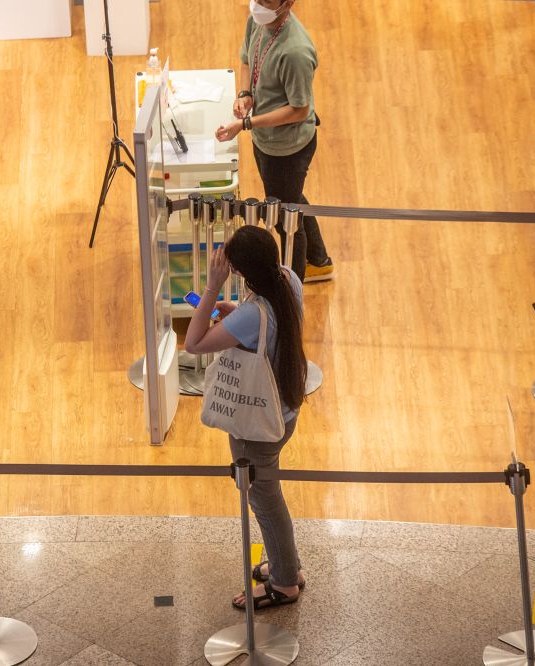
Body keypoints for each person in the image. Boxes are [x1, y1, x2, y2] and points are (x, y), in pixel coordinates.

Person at [185, 226, 307, 609]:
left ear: (239, 271)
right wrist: (236, 314)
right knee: (269, 496)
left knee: (265, 500)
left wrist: (211, 289)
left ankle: (286, 581)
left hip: (258, 425)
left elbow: (194, 343)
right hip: (284, 408)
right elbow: (267, 325)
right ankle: (286, 565)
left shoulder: (253, 314)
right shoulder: (288, 279)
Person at [215, 0, 334, 283]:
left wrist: (247, 123)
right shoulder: (257, 21)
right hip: (266, 139)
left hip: (287, 148)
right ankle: (319, 260)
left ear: (288, 3)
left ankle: (291, 285)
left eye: (267, 2)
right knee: (290, 198)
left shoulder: (296, 52)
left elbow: (299, 109)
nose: (258, 6)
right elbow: (247, 58)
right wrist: (245, 93)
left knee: (285, 219)